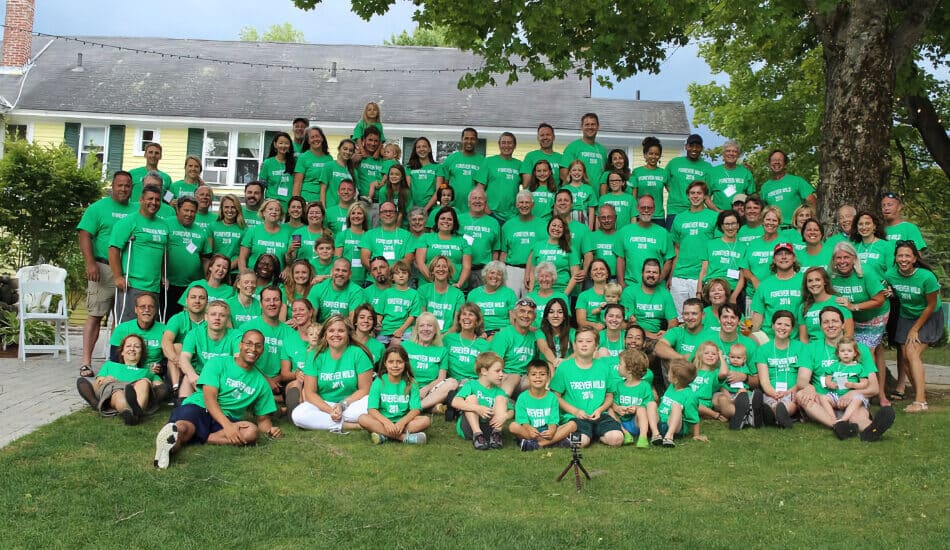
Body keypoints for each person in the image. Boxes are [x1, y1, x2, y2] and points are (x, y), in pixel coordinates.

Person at [153, 329, 282, 469]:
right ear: (240, 345)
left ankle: (199, 437)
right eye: (249, 343)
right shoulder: (218, 362)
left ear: (262, 350)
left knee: (251, 431)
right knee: (182, 428)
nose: (253, 349)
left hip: (227, 416)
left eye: (258, 345)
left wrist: (270, 430)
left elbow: (263, 420)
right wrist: (228, 426)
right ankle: (166, 450)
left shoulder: (262, 383)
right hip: (200, 406)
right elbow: (210, 398)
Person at [77, 170, 137, 377]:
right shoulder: (98, 208)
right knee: (95, 314)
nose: (123, 189)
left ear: (132, 188)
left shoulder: (136, 210)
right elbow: (84, 234)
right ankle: (86, 362)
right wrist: (90, 263)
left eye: (127, 186)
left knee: (119, 319)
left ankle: (114, 361)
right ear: (112, 186)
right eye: (119, 185)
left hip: (128, 271)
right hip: (102, 269)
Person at [885, 240, 943, 413]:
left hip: (928, 316)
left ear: (915, 258)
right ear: (895, 258)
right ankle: (919, 395)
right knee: (905, 356)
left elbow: (931, 305)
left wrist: (915, 329)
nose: (903, 259)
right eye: (900, 255)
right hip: (906, 316)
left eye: (907, 256)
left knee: (911, 352)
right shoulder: (890, 274)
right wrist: (890, 292)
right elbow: (888, 289)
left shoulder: (927, 277)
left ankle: (920, 401)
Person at [829, 241, 889, 404]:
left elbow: (880, 299)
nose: (842, 261)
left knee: (866, 352)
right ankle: (847, 389)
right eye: (838, 258)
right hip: (852, 318)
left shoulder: (866, 273)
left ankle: (876, 393)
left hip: (874, 317)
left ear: (854, 258)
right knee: (848, 351)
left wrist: (854, 306)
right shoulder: (832, 276)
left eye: (846, 257)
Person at [291, 315, 374, 432]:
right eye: (331, 331)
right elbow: (310, 393)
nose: (336, 334)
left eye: (341, 331)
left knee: (369, 404)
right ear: (325, 334)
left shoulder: (358, 353)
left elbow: (365, 390)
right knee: (298, 415)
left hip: (351, 403)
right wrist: (330, 410)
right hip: (324, 404)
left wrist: (342, 405)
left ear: (348, 333)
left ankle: (335, 421)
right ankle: (354, 424)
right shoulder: (314, 355)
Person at [549, 326, 624, 448]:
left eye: (589, 341)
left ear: (596, 345)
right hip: (575, 416)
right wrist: (575, 411)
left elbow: (609, 395)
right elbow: (555, 396)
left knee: (617, 439)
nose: (584, 345)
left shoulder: (604, 367)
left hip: (599, 415)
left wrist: (600, 409)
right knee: (581, 441)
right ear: (574, 345)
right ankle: (585, 435)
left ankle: (595, 433)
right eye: (580, 341)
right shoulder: (564, 368)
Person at [108, 183, 169, 323]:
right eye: (150, 199)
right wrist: (117, 277)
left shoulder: (164, 225)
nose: (154, 202)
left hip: (154, 287)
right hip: (132, 284)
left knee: (149, 326)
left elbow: (164, 253)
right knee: (126, 325)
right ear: (141, 200)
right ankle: (117, 346)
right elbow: (113, 249)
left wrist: (164, 275)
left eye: (157, 199)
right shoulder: (129, 222)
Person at [76, 333, 166, 425]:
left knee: (143, 382)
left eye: (137, 346)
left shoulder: (147, 371)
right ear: (122, 352)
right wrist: (104, 380)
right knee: (118, 394)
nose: (132, 349)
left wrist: (154, 379)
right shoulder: (110, 365)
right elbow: (98, 383)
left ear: (141, 352)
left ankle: (134, 412)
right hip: (115, 386)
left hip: (136, 389)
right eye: (128, 346)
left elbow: (160, 387)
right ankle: (134, 412)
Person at [358, 345, 430, 445]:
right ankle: (404, 438)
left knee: (425, 420)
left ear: (405, 363)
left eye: (399, 362)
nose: (395, 365)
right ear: (385, 364)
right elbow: (372, 409)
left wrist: (402, 422)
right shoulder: (379, 382)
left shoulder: (412, 383)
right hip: (383, 422)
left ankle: (384, 436)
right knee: (363, 419)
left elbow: (415, 409)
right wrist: (386, 422)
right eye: (391, 362)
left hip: (404, 422)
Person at [669, 180, 718, 319]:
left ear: (705, 196)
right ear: (688, 195)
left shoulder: (713, 217)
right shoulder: (679, 218)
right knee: (681, 318)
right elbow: (676, 249)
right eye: (692, 193)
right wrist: (672, 276)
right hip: (680, 274)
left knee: (701, 318)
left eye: (699, 193)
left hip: (701, 275)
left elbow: (716, 248)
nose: (695, 196)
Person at [754, 310, 809, 428]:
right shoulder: (763, 350)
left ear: (792, 328)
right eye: (779, 324)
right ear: (773, 326)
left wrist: (789, 391)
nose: (782, 328)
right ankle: (775, 414)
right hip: (771, 392)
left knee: (791, 403)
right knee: (770, 401)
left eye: (787, 325)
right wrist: (773, 393)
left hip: (793, 391)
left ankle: (776, 415)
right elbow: (764, 380)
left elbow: (802, 377)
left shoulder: (801, 348)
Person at [241, 286, 297, 396]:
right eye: (267, 300)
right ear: (261, 304)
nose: (272, 303)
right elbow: (240, 360)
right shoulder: (247, 328)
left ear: (281, 303)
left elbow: (292, 366)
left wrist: (277, 380)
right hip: (250, 379)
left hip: (280, 384)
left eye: (276, 300)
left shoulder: (291, 333)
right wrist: (266, 380)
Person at [509, 360, 576, 451]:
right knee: (513, 426)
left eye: (542, 374)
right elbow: (523, 420)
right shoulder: (522, 397)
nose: (538, 377)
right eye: (533, 374)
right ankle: (553, 442)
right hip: (530, 431)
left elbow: (553, 420)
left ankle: (538, 444)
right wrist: (529, 429)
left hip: (547, 431)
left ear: (548, 377)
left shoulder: (552, 397)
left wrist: (552, 431)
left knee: (572, 425)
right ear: (528, 377)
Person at [177, 301, 237, 399]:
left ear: (227, 319)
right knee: (187, 378)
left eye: (222, 315)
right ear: (206, 317)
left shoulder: (235, 335)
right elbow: (184, 357)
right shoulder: (194, 334)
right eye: (213, 314)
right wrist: (191, 374)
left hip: (226, 380)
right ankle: (182, 407)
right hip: (201, 378)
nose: (217, 318)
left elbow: (239, 360)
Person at [451, 351, 511, 450]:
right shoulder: (471, 384)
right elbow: (455, 402)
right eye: (497, 371)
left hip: (489, 427)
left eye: (502, 371)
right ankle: (477, 436)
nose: (501, 374)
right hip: (470, 427)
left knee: (501, 399)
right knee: (471, 398)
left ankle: (496, 435)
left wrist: (505, 416)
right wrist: (477, 408)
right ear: (484, 371)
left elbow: (511, 410)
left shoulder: (499, 391)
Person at [163, 196, 210, 318]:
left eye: (192, 211)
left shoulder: (201, 231)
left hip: (191, 287)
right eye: (186, 210)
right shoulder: (166, 224)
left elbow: (205, 258)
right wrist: (161, 275)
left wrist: (206, 280)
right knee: (169, 319)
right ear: (178, 210)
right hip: (169, 284)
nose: (189, 214)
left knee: (188, 320)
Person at [615, 194, 674, 287]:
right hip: (631, 285)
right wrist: (621, 282)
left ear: (654, 209)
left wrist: (658, 280)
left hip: (656, 287)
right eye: (643, 207)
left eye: (649, 208)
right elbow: (620, 259)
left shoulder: (663, 233)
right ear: (637, 208)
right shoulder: (624, 231)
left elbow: (669, 260)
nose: (646, 210)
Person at [403, 312, 458, 411]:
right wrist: (413, 389)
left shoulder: (442, 351)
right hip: (407, 387)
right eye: (422, 326)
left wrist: (426, 389)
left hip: (430, 391)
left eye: (430, 325)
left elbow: (441, 378)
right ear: (416, 329)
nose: (426, 329)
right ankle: (430, 407)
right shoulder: (405, 346)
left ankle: (416, 407)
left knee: (452, 383)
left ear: (435, 330)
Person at [749, 243, 805, 339]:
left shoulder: (805, 281)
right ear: (774, 260)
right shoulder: (764, 285)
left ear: (794, 258)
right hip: (769, 337)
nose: (783, 257)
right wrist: (749, 331)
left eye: (787, 253)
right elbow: (757, 316)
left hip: (797, 338)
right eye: (779, 254)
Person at [620, 259, 679, 348]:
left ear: (660, 275)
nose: (651, 275)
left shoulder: (665, 294)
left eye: (655, 272)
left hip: (658, 337)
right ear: (642, 273)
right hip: (635, 336)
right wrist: (652, 336)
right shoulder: (629, 291)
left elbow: (673, 321)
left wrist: (668, 334)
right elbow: (629, 322)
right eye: (648, 272)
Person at [161, 285, 207, 392]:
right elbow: (166, 341)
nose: (197, 301)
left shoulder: (212, 319)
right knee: (177, 347)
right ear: (186, 301)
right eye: (193, 297)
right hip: (180, 365)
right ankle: (176, 388)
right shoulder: (178, 318)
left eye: (201, 298)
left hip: (203, 361)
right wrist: (178, 360)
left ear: (207, 302)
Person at [490, 296, 539, 396]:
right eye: (522, 311)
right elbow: (493, 363)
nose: (526, 315)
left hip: (525, 377)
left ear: (534, 317)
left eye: (530, 312)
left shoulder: (535, 336)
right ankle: (500, 403)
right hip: (505, 376)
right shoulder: (503, 335)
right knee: (514, 377)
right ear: (514, 314)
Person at [611, 349, 660, 448]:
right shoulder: (618, 386)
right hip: (621, 423)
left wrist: (636, 408)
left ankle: (643, 437)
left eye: (620, 364)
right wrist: (618, 408)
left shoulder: (645, 386)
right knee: (609, 409)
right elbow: (613, 402)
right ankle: (625, 434)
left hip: (637, 423)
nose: (618, 367)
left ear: (629, 369)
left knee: (641, 410)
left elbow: (648, 405)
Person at [500, 191, 546, 296]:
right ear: (516, 205)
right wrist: (502, 273)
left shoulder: (543, 225)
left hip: (535, 270)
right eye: (521, 202)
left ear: (532, 205)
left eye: (527, 202)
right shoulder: (508, 226)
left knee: (531, 304)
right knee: (512, 304)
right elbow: (504, 253)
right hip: (512, 270)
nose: (524, 205)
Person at [415, 206, 471, 288]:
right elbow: (420, 263)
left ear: (454, 223)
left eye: (449, 219)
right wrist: (435, 283)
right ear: (437, 221)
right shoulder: (426, 238)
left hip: (454, 287)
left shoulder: (463, 241)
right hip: (428, 285)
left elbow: (467, 266)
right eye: (442, 218)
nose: (446, 221)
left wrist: (459, 284)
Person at [110, 292, 166, 373]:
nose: (147, 310)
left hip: (154, 374)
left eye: (151, 306)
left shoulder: (165, 330)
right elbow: (114, 359)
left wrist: (160, 368)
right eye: (142, 307)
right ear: (136, 309)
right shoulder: (121, 329)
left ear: (155, 310)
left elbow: (168, 360)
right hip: (126, 372)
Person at [525, 216, 581, 296]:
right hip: (539, 291)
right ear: (548, 227)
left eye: (560, 227)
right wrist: (530, 293)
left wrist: (564, 295)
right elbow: (532, 272)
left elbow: (575, 275)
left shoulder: (570, 248)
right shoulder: (538, 246)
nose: (556, 228)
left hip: (561, 290)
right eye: (554, 225)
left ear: (563, 230)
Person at [457, 186, 502, 289]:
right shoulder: (458, 219)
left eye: (481, 198)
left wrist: (491, 270)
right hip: (460, 269)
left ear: (485, 203)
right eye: (474, 198)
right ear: (468, 202)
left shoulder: (493, 223)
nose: (477, 201)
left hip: (483, 271)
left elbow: (495, 251)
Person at [698, 210, 746, 303]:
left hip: (732, 290)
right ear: (721, 226)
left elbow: (742, 277)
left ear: (738, 225)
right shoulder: (710, 244)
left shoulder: (743, 248)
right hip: (711, 290)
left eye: (733, 224)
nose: (730, 227)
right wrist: (699, 293)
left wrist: (733, 297)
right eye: (727, 224)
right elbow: (703, 270)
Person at [664, 134, 712, 226]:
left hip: (697, 210)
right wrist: (675, 193)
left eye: (697, 146)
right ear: (686, 147)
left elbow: (707, 192)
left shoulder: (707, 167)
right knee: (672, 239)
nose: (694, 149)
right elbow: (665, 181)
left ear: (701, 148)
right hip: (675, 210)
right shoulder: (674, 163)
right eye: (691, 146)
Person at [759, 149, 816, 224]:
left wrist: (812, 223)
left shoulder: (797, 181)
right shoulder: (765, 187)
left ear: (785, 164)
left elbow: (812, 201)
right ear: (769, 164)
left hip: (795, 228)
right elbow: (763, 211)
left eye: (780, 160)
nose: (776, 162)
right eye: (774, 160)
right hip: (775, 230)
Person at [799, 266, 853, 343]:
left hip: (836, 349)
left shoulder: (839, 301)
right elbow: (803, 339)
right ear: (806, 284)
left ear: (825, 282)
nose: (814, 284)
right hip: (813, 351)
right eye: (810, 281)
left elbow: (848, 334)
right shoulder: (803, 307)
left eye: (817, 280)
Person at [477, 132, 521, 223]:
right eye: (503, 142)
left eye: (509, 143)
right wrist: (487, 210)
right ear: (499, 145)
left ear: (514, 145)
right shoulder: (488, 162)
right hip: (491, 213)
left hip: (513, 215)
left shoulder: (520, 164)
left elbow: (527, 187)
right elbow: (479, 189)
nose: (506, 145)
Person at [444, 303, 491, 388]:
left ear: (477, 321)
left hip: (473, 385)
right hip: (451, 383)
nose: (467, 317)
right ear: (459, 319)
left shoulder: (484, 345)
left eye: (471, 315)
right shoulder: (448, 339)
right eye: (464, 314)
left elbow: (486, 371)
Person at [656, 359, 702, 446]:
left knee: (676, 406)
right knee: (651, 404)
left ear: (676, 380)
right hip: (659, 422)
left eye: (669, 372)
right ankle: (654, 434)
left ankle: (669, 436)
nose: (667, 373)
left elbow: (694, 416)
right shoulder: (672, 386)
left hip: (674, 427)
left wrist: (696, 435)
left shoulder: (690, 395)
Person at [712, 340, 756, 430]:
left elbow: (746, 383)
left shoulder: (745, 369)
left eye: (738, 358)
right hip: (729, 393)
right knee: (723, 395)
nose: (735, 359)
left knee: (748, 394)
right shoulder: (727, 367)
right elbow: (723, 383)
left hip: (741, 393)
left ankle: (748, 408)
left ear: (744, 359)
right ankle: (745, 415)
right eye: (732, 357)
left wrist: (744, 389)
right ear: (728, 356)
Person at [239, 198, 292, 272]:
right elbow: (242, 258)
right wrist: (243, 274)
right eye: (270, 209)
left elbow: (291, 258)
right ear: (263, 212)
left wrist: (288, 268)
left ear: (281, 215)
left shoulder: (287, 233)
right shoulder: (253, 231)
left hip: (278, 279)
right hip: (254, 278)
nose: (274, 212)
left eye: (277, 210)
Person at [308, 258, 367, 323]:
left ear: (350, 274)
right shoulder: (318, 288)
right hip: (321, 329)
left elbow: (353, 320)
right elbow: (310, 317)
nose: (340, 273)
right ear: (331, 271)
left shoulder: (357, 291)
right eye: (337, 270)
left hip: (345, 330)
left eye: (344, 271)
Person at [468, 261, 518, 337]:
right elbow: (468, 317)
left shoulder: (509, 293)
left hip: (503, 332)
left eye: (499, 274)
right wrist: (478, 332)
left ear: (503, 278)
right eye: (492, 273)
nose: (495, 276)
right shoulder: (474, 294)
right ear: (485, 274)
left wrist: (506, 333)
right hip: (480, 332)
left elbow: (513, 320)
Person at [654, 298, 712, 362]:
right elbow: (658, 347)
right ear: (682, 315)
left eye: (694, 313)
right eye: (686, 314)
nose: (690, 318)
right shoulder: (677, 331)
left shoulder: (711, 333)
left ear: (703, 315)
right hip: (680, 369)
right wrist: (682, 358)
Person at [376, 260, 420, 345]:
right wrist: (378, 322)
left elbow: (412, 316)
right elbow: (380, 313)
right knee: (377, 348)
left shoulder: (414, 294)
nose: (401, 275)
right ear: (392, 277)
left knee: (408, 347)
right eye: (397, 273)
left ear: (409, 275)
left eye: (404, 273)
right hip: (386, 329)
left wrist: (401, 330)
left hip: (405, 330)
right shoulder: (386, 293)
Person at [360, 201, 414, 269]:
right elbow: (364, 259)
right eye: (384, 211)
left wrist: (394, 273)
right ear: (379, 215)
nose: (388, 214)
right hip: (375, 278)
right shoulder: (369, 234)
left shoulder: (407, 235)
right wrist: (379, 272)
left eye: (391, 211)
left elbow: (409, 258)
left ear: (396, 214)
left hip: (398, 277)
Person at [438, 127, 485, 205]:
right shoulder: (451, 158)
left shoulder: (483, 161)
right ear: (462, 140)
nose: (469, 141)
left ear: (476, 141)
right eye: (466, 138)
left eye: (472, 139)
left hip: (474, 207)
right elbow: (444, 185)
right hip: (452, 207)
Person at [418, 255, 465, 332]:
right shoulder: (423, 290)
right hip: (426, 333)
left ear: (449, 271)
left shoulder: (458, 294)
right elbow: (421, 319)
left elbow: (456, 325)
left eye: (444, 266)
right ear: (432, 270)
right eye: (438, 266)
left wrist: (443, 338)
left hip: (448, 335)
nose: (441, 269)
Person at [560, 113, 608, 186]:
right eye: (587, 124)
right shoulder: (573, 147)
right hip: (579, 195)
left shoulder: (602, 150)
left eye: (593, 124)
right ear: (581, 127)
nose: (590, 127)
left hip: (598, 195)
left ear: (598, 127)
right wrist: (577, 190)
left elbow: (606, 174)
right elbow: (564, 173)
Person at [706, 140, 755, 212]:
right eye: (728, 151)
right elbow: (706, 197)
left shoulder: (746, 173)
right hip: (719, 216)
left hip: (741, 216)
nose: (731, 153)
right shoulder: (712, 173)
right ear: (723, 154)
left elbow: (752, 197)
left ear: (738, 155)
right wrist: (717, 211)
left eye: (734, 151)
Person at [631, 136, 669, 227]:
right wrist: (634, 215)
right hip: (641, 215)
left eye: (656, 154)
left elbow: (674, 192)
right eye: (650, 153)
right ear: (645, 155)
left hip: (658, 216)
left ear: (659, 156)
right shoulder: (636, 172)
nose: (653, 156)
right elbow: (634, 197)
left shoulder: (664, 173)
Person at [334, 201, 370, 286]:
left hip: (365, 280)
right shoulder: (342, 235)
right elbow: (338, 259)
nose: (356, 216)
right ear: (349, 216)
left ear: (364, 216)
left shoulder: (369, 235)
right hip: (346, 279)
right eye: (353, 213)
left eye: (359, 213)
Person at [293, 126, 333, 203]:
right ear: (308, 141)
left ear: (322, 138)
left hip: (325, 200)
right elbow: (297, 183)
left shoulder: (329, 158)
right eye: (312, 137)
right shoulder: (303, 157)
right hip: (307, 199)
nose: (315, 139)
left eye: (317, 136)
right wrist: (296, 202)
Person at [523, 262, 570, 326]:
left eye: (547, 276)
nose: (544, 279)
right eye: (541, 276)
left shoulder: (562, 297)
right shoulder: (529, 297)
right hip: (533, 333)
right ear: (537, 278)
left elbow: (566, 321)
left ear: (553, 279)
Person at [850, 210, 893, 279]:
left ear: (874, 226)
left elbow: (891, 272)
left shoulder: (886, 246)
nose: (864, 227)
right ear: (857, 227)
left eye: (867, 223)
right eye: (860, 224)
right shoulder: (852, 247)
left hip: (880, 288)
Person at [536, 297, 574, 373]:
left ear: (564, 316)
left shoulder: (573, 332)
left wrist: (565, 362)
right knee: (549, 365)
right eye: (551, 312)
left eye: (560, 312)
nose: (555, 315)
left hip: (567, 368)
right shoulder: (540, 332)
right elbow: (545, 349)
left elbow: (578, 352)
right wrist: (556, 363)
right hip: (547, 370)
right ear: (546, 316)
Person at [209, 194, 246, 273]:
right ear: (221, 209)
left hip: (234, 272)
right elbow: (209, 253)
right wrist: (218, 269)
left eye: (233, 207)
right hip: (215, 271)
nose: (229, 210)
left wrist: (227, 269)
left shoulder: (244, 229)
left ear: (237, 209)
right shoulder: (212, 226)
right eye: (226, 207)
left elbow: (242, 255)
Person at [259, 132, 296, 206]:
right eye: (281, 143)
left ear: (290, 145)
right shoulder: (267, 163)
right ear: (275, 145)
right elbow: (261, 185)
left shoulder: (295, 163)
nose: (283, 146)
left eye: (286, 143)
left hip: (288, 204)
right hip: (271, 203)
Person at [520, 123, 563, 188]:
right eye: (542, 135)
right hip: (535, 196)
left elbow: (565, 182)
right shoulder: (530, 156)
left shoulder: (561, 158)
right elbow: (526, 185)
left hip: (555, 196)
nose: (545, 137)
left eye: (548, 135)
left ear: (553, 137)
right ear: (538, 138)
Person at [575, 259, 611, 330]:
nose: (599, 272)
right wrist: (595, 325)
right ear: (590, 275)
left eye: (602, 269)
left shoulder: (615, 293)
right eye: (595, 269)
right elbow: (581, 321)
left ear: (607, 274)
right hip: (589, 332)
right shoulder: (583, 295)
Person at [406, 137, 440, 211]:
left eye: (424, 146)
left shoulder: (438, 167)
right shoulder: (409, 168)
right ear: (415, 150)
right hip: (413, 209)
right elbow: (407, 190)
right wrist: (412, 208)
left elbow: (438, 191)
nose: (421, 149)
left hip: (431, 209)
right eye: (418, 147)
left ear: (429, 149)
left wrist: (425, 209)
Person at [562, 160, 597, 228]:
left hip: (583, 219)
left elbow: (591, 211)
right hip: (567, 219)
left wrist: (589, 229)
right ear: (570, 172)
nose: (577, 172)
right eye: (574, 170)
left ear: (583, 173)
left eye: (580, 170)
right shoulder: (564, 189)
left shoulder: (589, 189)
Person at [527, 159, 558, 223]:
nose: (542, 173)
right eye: (539, 171)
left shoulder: (554, 191)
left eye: (545, 171)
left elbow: (556, 212)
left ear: (550, 172)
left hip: (546, 225)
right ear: (535, 173)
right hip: (531, 224)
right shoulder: (529, 190)